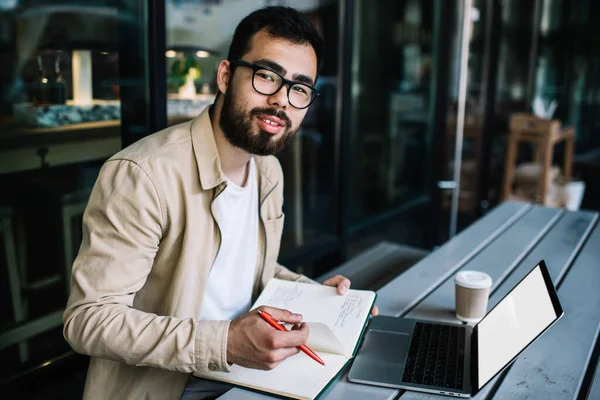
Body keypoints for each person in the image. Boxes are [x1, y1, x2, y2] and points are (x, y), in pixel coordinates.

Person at [63, 6, 377, 400]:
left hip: (253, 377)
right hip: (169, 388)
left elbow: (243, 268)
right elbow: (88, 320)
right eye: (266, 76)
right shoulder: (144, 175)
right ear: (226, 76)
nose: (282, 100)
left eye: (299, 88)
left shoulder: (267, 171)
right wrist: (225, 342)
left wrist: (318, 298)